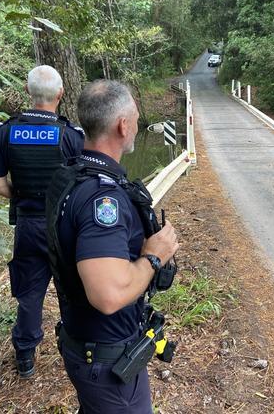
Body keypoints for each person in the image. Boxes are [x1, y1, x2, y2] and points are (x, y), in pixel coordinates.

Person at [46, 79, 179, 413]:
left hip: (90, 347)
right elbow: (107, 295)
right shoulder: (102, 200)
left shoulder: (72, 175)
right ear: (123, 126)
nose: (135, 124)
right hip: (106, 363)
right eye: (134, 117)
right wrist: (154, 255)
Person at [0, 65, 84, 377]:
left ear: (27, 93)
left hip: (28, 226)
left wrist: (23, 198)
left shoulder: (6, 133)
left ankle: (25, 358)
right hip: (63, 228)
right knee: (71, 290)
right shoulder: (71, 136)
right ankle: (76, 351)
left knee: (29, 294)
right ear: (61, 94)